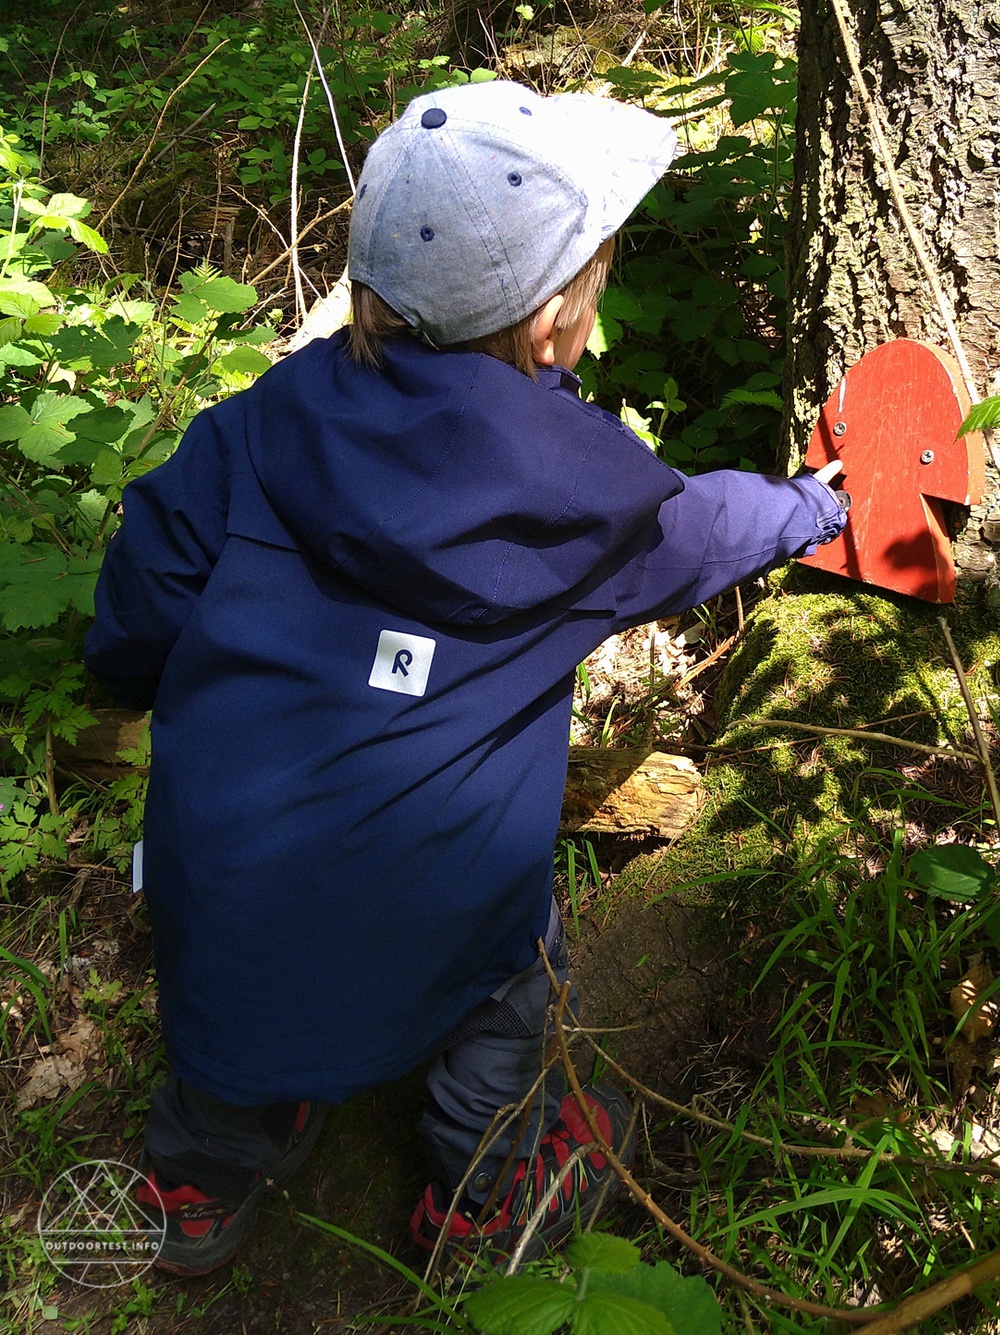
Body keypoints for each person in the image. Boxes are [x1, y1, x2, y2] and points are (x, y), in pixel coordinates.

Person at [84, 79, 846, 1277]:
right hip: (447, 909)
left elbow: (145, 591)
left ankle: (195, 1182)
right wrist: (817, 503)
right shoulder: (588, 508)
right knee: (505, 992)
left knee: (224, 1010)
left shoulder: (248, 433)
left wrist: (132, 679)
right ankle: (484, 1197)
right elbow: (711, 529)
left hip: (227, 867)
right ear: (555, 323)